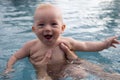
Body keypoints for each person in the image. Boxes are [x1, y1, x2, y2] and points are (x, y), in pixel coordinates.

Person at [4, 3, 120, 80]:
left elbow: (86, 45)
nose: (47, 28)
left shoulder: (66, 42)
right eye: (41, 25)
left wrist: (105, 44)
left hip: (66, 68)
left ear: (62, 28)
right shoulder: (30, 46)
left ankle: (107, 75)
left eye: (53, 24)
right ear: (34, 30)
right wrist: (9, 68)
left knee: (82, 73)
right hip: (44, 72)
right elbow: (15, 56)